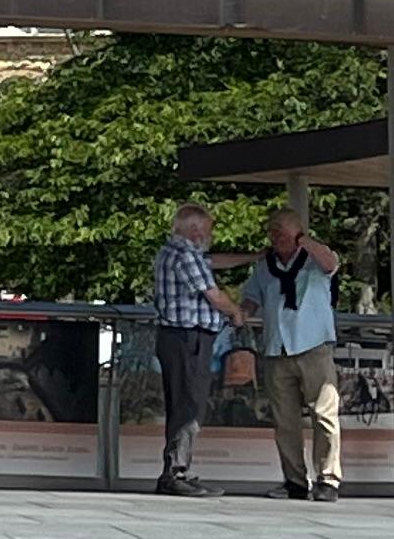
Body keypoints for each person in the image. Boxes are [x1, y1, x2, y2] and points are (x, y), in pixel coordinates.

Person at [240, 207, 345, 501]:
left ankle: (328, 479)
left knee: (324, 414)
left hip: (313, 347)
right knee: (285, 421)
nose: (277, 238)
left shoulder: (314, 259)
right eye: (273, 232)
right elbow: (251, 298)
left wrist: (302, 240)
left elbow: (331, 263)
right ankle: (295, 481)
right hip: (277, 349)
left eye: (283, 231)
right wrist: (239, 313)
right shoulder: (265, 267)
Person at [146, 203, 232, 496]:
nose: (210, 235)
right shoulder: (185, 254)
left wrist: (256, 257)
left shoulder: (172, 252)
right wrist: (236, 311)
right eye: (207, 229)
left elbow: (213, 262)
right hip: (187, 338)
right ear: (195, 230)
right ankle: (176, 472)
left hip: (176, 338)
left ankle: (177, 469)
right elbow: (214, 296)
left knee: (182, 402)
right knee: (188, 404)